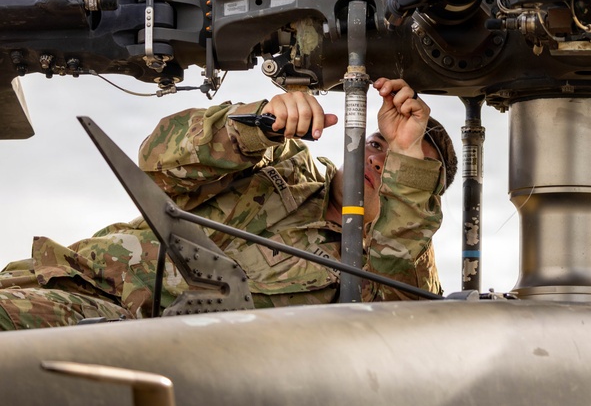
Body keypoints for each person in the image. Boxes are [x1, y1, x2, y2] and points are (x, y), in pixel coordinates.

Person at [0, 78, 457, 330]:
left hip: (131, 335)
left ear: (415, 186)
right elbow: (159, 158)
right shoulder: (285, 161)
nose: (376, 158)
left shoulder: (385, 276)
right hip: (70, 276)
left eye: (398, 160)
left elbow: (406, 299)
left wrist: (409, 159)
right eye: (376, 143)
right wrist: (257, 126)